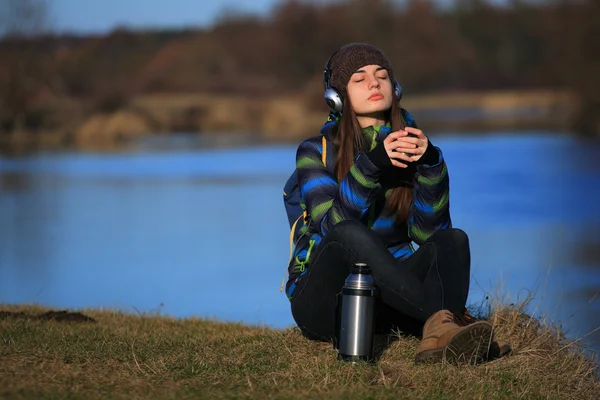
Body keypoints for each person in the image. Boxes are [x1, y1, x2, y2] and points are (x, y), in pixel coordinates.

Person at [284, 43, 510, 364]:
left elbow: (430, 236)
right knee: (350, 233)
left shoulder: (411, 144)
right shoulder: (315, 151)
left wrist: (432, 164)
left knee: (454, 240)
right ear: (337, 97)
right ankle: (447, 324)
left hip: (388, 303)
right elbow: (331, 227)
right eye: (359, 79)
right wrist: (372, 165)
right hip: (327, 302)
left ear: (395, 87)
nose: (374, 83)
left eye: (382, 76)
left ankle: (440, 336)